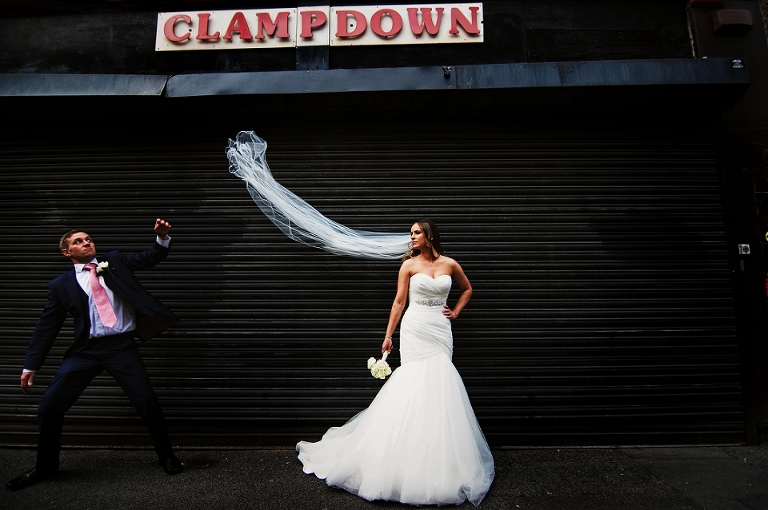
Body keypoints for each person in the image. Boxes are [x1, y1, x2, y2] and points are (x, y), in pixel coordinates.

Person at [297, 219, 495, 507]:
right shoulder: (408, 265)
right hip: (415, 329)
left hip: (440, 330)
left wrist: (457, 313)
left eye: (416, 232)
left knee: (441, 382)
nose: (411, 237)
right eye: (411, 233)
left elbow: (467, 289)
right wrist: (388, 335)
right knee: (414, 381)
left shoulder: (450, 264)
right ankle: (402, 459)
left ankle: (439, 459)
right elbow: (399, 302)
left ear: (429, 236)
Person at [6, 219, 183, 491]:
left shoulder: (113, 262)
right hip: (86, 352)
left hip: (121, 347)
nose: (86, 242)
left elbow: (150, 258)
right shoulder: (60, 285)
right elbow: (47, 327)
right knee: (49, 407)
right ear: (67, 252)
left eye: (88, 238)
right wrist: (31, 365)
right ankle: (45, 467)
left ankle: (167, 456)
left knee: (147, 400)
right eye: (78, 241)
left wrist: (161, 238)